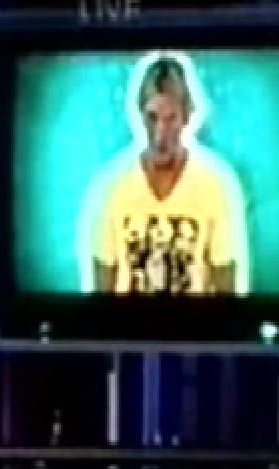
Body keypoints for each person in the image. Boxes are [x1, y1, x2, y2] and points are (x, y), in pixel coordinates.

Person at [87, 54, 248, 296]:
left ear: (186, 117)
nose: (160, 134)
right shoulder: (113, 189)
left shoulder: (213, 189)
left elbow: (225, 283)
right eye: (152, 118)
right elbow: (103, 282)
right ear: (140, 115)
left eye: (171, 118)